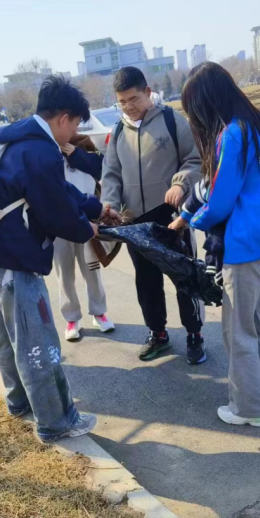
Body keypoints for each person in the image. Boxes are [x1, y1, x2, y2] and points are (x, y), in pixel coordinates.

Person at [0, 75, 118, 443]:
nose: (75, 133)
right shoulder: (41, 151)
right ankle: (56, 422)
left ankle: (19, 402)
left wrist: (96, 208)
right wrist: (88, 228)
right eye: (76, 124)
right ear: (64, 118)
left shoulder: (17, 140)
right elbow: (57, 213)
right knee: (37, 345)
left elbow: (60, 190)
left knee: (6, 339)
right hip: (15, 265)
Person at [172, 62, 260, 428]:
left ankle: (249, 409)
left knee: (239, 333)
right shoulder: (259, 126)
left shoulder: (231, 135)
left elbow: (220, 200)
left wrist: (193, 221)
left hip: (243, 248)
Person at [102, 66, 206, 364]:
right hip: (135, 221)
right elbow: (111, 174)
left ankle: (195, 334)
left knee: (185, 278)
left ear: (148, 93)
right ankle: (157, 333)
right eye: (122, 102)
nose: (128, 106)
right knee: (146, 282)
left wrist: (180, 184)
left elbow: (195, 160)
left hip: (171, 218)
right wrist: (109, 205)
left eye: (133, 99)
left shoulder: (173, 121)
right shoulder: (118, 131)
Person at [55, 134, 115, 341]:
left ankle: (99, 312)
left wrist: (76, 154)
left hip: (88, 218)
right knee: (64, 273)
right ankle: (71, 318)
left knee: (92, 268)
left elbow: (102, 169)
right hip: (59, 222)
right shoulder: (46, 148)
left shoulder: (85, 144)